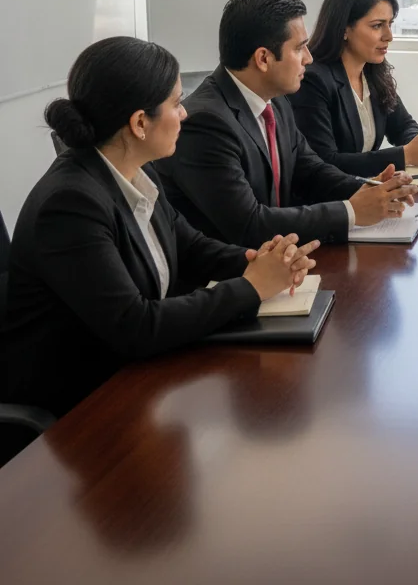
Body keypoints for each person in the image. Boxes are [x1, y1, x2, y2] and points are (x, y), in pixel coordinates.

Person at [3, 37, 318, 417]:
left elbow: (191, 247)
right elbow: (135, 326)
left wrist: (262, 260)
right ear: (140, 123)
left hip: (138, 375)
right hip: (80, 406)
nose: (184, 114)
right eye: (176, 103)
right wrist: (252, 286)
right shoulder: (70, 205)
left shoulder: (136, 170)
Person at [157, 0, 416, 250]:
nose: (309, 58)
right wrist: (351, 211)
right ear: (263, 58)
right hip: (232, 267)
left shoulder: (276, 99)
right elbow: (249, 224)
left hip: (282, 257)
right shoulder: (205, 125)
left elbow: (310, 170)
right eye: (299, 48)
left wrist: (368, 189)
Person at [290, 0, 418, 176]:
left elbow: (402, 126)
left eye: (390, 24)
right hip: (335, 194)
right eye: (377, 26)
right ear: (344, 29)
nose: (389, 36)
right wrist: (406, 155)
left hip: (368, 187)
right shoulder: (312, 81)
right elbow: (325, 162)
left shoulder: (373, 71)